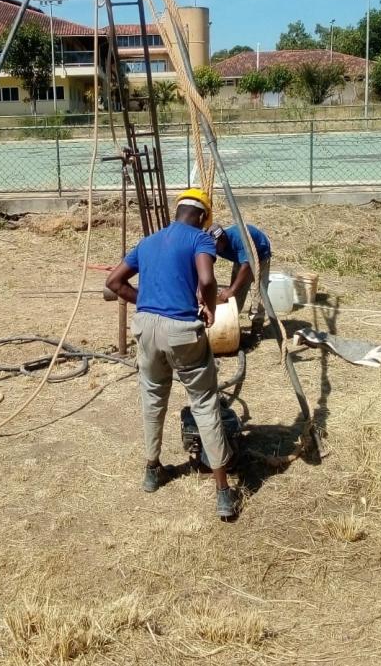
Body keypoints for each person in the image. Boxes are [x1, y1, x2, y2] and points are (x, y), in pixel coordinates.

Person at [106, 188, 239, 519]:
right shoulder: (200, 240)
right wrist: (208, 308)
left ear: (177, 211)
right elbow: (207, 279)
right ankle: (223, 493)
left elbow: (113, 281)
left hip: (145, 328)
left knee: (152, 398)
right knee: (205, 403)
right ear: (203, 218)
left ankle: (152, 470)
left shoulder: (149, 241)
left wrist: (148, 301)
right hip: (181, 331)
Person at [208, 222, 272, 330]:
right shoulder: (214, 244)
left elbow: (246, 266)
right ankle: (231, 325)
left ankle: (257, 329)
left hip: (260, 256)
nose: (215, 249)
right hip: (241, 259)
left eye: (216, 245)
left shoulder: (239, 238)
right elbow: (207, 263)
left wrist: (232, 290)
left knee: (258, 294)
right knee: (235, 294)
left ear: (223, 237)